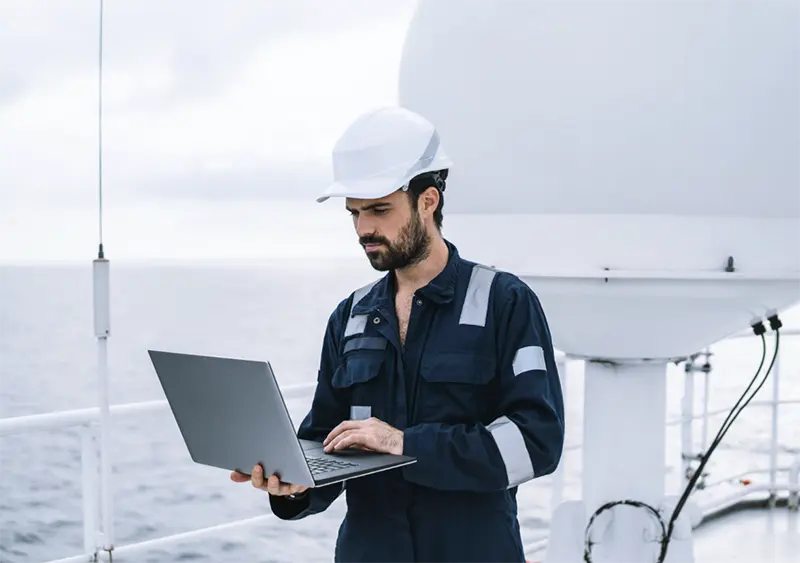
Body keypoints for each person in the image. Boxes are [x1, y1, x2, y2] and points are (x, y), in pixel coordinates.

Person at [231, 106, 565, 562]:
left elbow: (536, 443)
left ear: (428, 201)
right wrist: (292, 485)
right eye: (354, 213)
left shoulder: (505, 303)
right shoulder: (348, 317)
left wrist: (405, 443)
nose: (364, 228)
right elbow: (326, 439)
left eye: (379, 210)